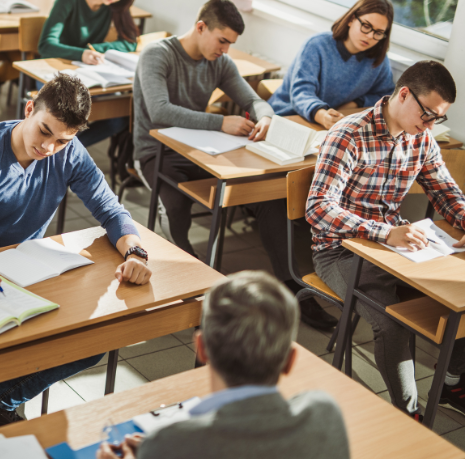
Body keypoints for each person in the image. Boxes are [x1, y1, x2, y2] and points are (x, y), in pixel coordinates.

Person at [0, 73, 152, 443]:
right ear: (29, 109)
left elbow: (111, 210)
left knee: (94, 340)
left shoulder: (69, 152)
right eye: (44, 131)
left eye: (62, 140)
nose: (49, 147)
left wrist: (135, 252)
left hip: (25, 271)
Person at [133, 0, 338, 331]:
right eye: (222, 40)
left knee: (269, 198)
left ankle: (291, 285)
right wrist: (220, 122)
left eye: (230, 43)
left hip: (204, 152)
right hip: (156, 152)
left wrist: (265, 118)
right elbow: (160, 111)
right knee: (176, 206)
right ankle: (194, 289)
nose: (226, 49)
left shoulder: (220, 61)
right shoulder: (158, 54)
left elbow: (255, 101)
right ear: (201, 27)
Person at [307, 61, 465, 419]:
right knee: (392, 323)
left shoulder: (420, 137)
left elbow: (446, 192)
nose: (430, 125)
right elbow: (318, 208)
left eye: (437, 118)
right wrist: (385, 232)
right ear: (404, 94)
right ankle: (409, 417)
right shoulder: (350, 134)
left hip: (396, 248)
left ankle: (451, 383)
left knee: (461, 300)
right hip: (339, 251)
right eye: (427, 114)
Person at [96, 271, 350, 459]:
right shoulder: (325, 413)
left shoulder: (170, 444)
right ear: (290, 360)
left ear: (202, 348)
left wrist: (160, 449)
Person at [268, 0, 395, 129]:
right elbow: (301, 93)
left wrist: (355, 103)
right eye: (366, 26)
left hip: (325, 125)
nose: (370, 36)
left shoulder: (379, 60)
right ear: (351, 19)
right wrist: (322, 115)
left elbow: (386, 97)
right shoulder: (317, 45)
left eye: (378, 33)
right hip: (284, 117)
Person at [37, 0, 139, 147]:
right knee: (64, 113)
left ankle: (68, 149)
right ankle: (60, 148)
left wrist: (95, 49)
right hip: (54, 71)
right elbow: (46, 45)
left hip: (89, 72)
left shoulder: (114, 5)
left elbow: (130, 41)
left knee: (120, 115)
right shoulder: (68, 2)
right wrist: (81, 54)